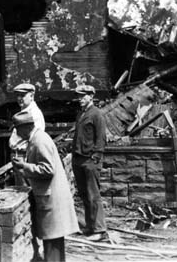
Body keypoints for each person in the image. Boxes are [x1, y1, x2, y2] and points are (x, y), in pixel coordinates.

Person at [11, 110, 79, 261]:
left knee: (52, 242)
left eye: (18, 129)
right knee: (54, 242)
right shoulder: (38, 138)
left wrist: (24, 166)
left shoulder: (39, 141)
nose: (18, 133)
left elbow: (48, 169)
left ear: (25, 127)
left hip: (51, 198)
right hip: (51, 196)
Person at [72, 84, 108, 241]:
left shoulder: (97, 114)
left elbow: (101, 139)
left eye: (83, 96)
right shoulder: (81, 114)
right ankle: (90, 226)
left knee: (94, 195)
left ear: (91, 97)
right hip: (79, 159)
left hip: (90, 160)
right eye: (79, 96)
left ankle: (100, 230)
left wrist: (96, 157)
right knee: (85, 194)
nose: (80, 99)